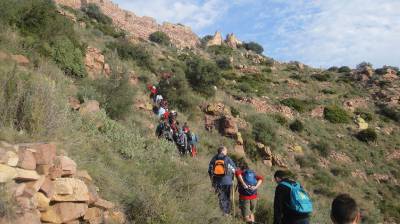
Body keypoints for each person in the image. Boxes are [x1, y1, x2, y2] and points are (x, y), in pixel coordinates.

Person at [208, 146, 236, 215]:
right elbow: (234, 170)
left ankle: (223, 213)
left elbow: (209, 171)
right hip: (227, 181)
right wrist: (231, 178)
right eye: (226, 150)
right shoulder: (227, 159)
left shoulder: (214, 159)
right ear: (223, 151)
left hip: (217, 182)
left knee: (221, 197)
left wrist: (212, 181)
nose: (227, 152)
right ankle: (227, 212)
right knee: (227, 197)